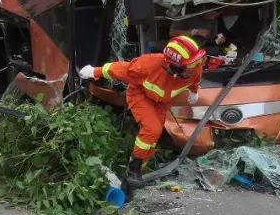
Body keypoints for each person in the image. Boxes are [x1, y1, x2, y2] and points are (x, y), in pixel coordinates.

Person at [79, 35, 205, 191]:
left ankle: (133, 174)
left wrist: (194, 92)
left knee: (152, 140)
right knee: (152, 129)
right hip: (140, 95)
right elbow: (121, 69)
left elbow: (195, 80)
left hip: (161, 103)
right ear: (174, 67)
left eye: (196, 63)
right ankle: (134, 168)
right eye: (190, 66)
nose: (195, 67)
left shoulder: (195, 67)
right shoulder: (148, 64)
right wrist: (94, 72)